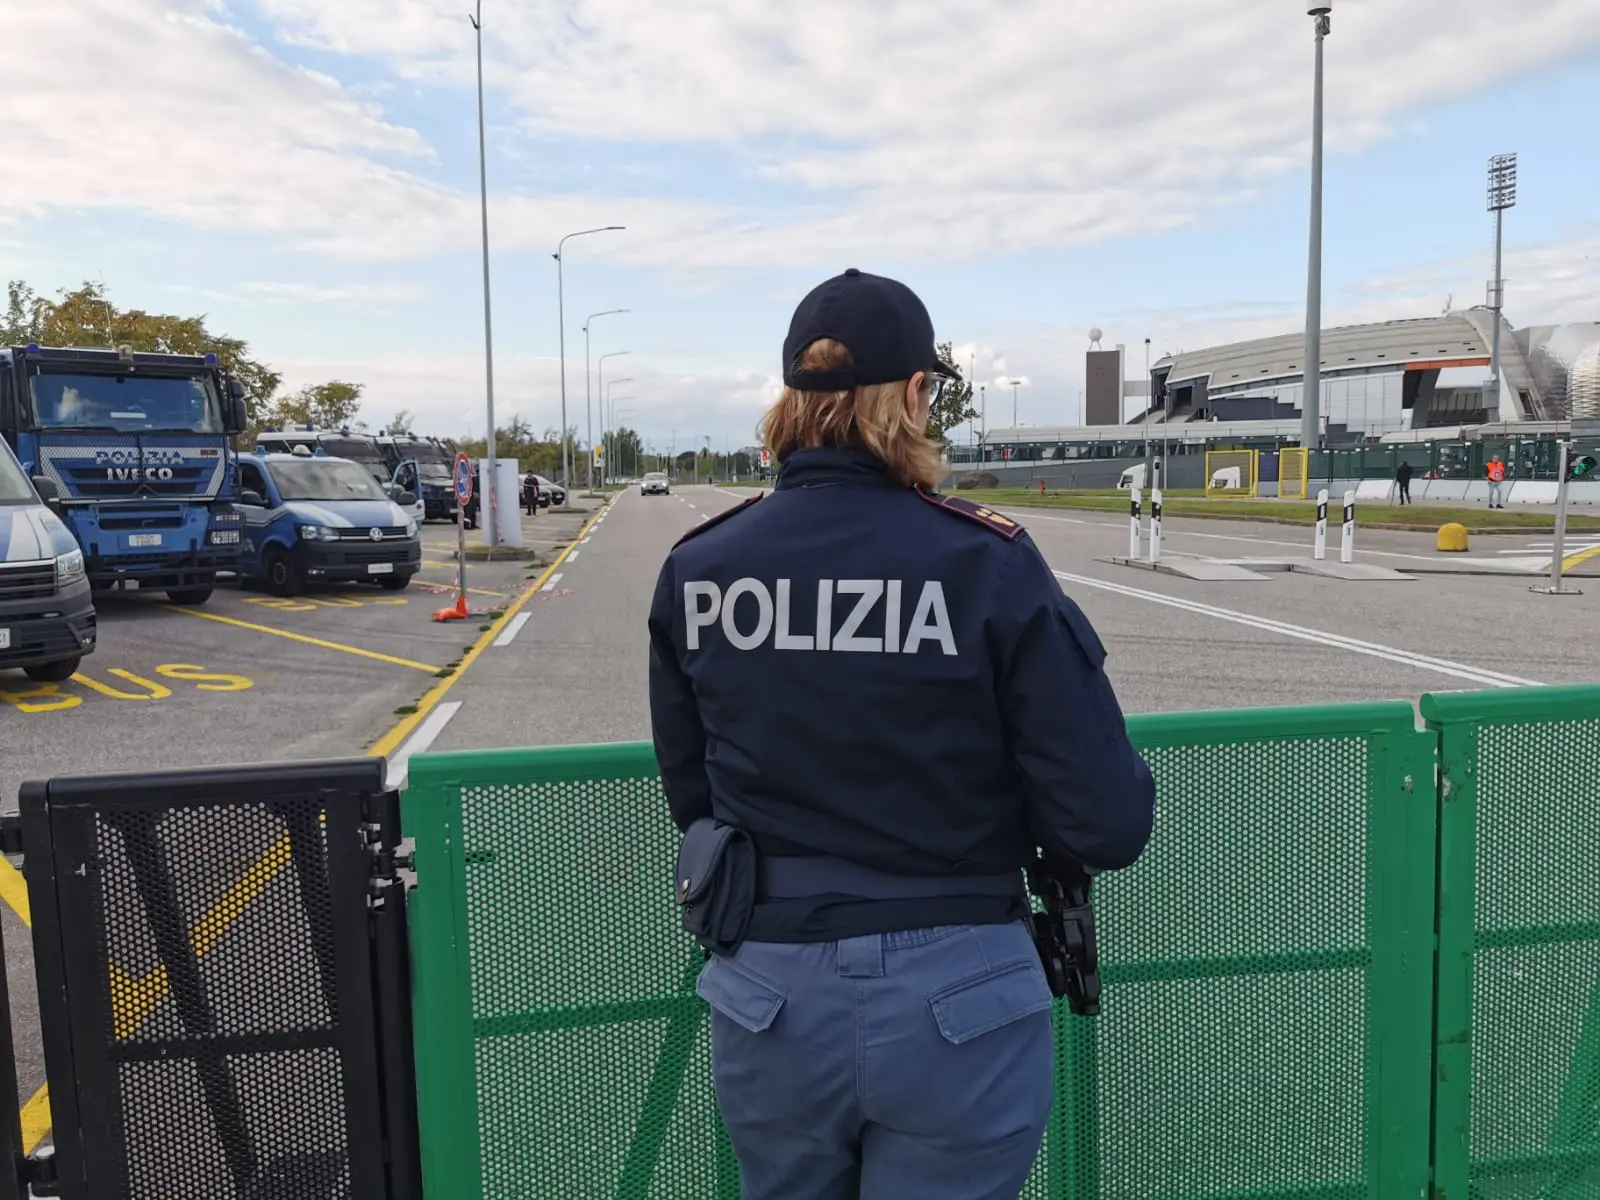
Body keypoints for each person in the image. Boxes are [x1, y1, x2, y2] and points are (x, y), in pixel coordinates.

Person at [648, 267, 1155, 1200]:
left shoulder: (701, 568)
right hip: (959, 990)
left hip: (770, 994)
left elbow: (693, 794)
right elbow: (1107, 820)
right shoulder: (984, 561)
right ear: (917, 394)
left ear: (789, 401)